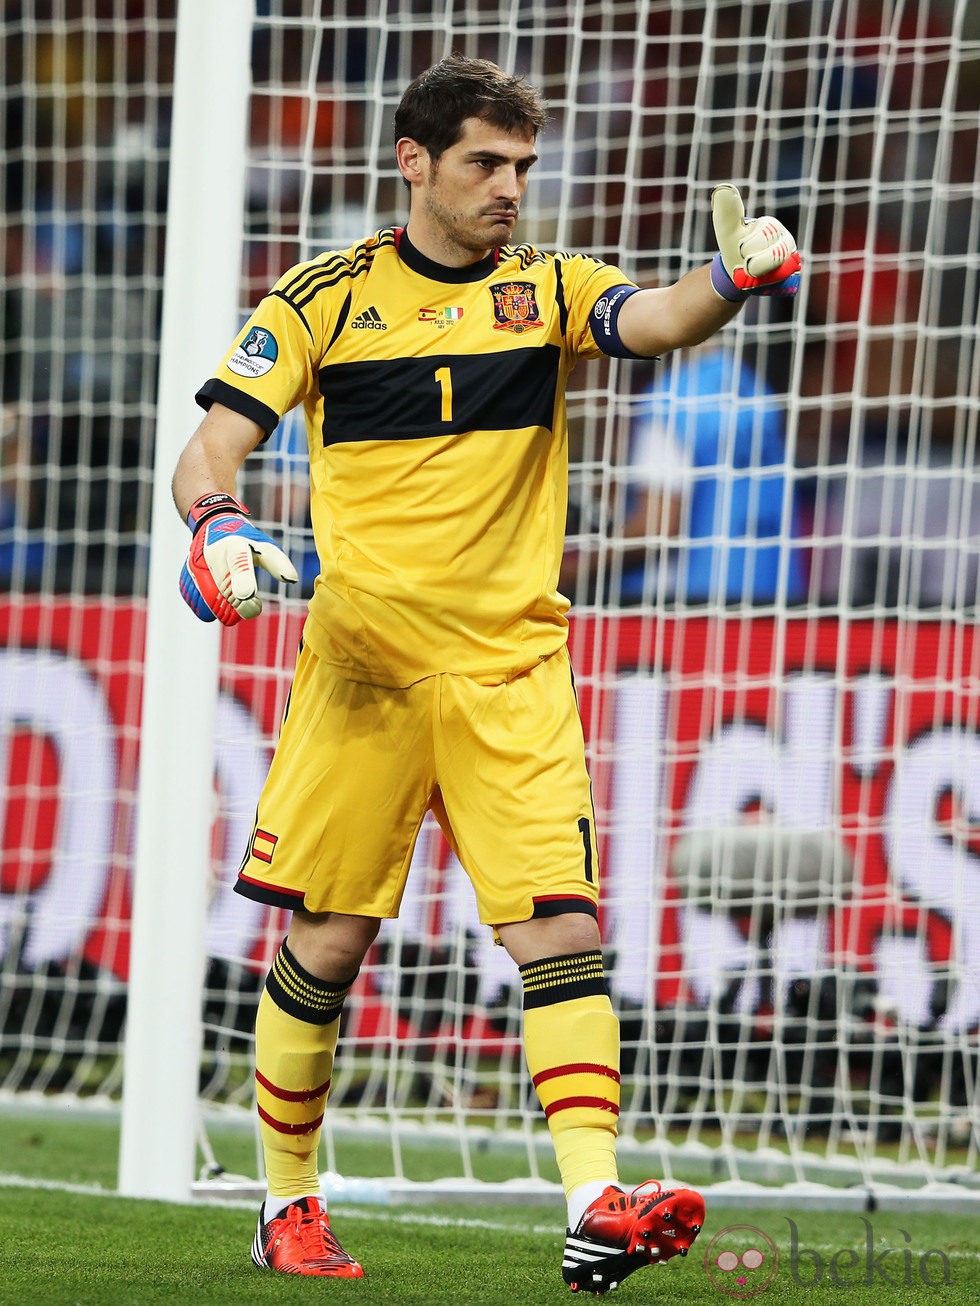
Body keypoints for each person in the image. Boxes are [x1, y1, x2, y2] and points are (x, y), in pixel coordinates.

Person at [171, 55, 800, 1292]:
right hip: (364, 673)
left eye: (522, 165)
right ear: (415, 163)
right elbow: (210, 447)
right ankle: (286, 1204)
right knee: (329, 941)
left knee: (559, 929)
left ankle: (593, 1198)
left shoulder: (548, 289)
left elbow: (657, 319)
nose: (512, 187)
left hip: (513, 668)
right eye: (485, 165)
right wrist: (220, 524)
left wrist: (732, 277)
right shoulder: (321, 299)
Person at [564, 345, 807, 608]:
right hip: (770, 590)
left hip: (692, 603)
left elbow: (658, 526)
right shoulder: (756, 392)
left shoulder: (672, 399)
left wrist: (574, 568)